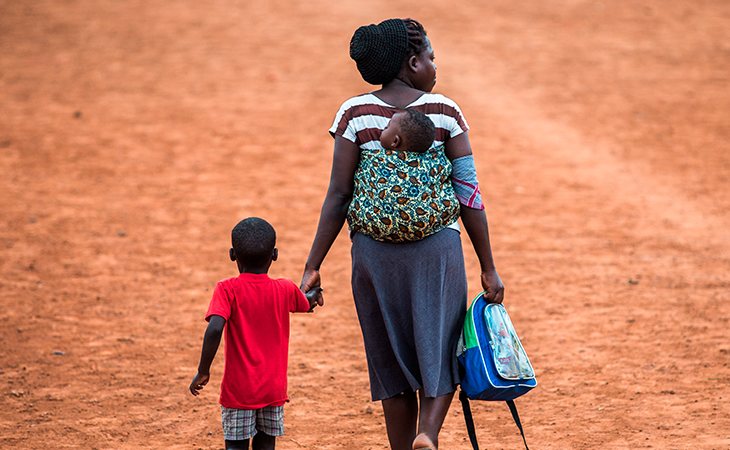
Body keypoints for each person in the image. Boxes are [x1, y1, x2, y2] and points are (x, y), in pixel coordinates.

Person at [300, 18, 504, 450]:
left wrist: (312, 265)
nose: (435, 65)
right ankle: (427, 434)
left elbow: (338, 195)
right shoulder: (445, 111)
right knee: (442, 351)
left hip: (374, 255)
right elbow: (469, 192)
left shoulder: (353, 114)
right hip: (438, 251)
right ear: (413, 63)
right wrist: (488, 267)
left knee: (390, 363)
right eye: (431, 57)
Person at [190, 217, 322, 450]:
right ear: (275, 255)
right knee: (266, 445)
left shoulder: (227, 289)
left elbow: (214, 329)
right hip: (273, 388)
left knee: (235, 446)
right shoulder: (285, 289)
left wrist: (203, 370)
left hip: (239, 391)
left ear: (232, 255)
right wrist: (315, 290)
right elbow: (307, 302)